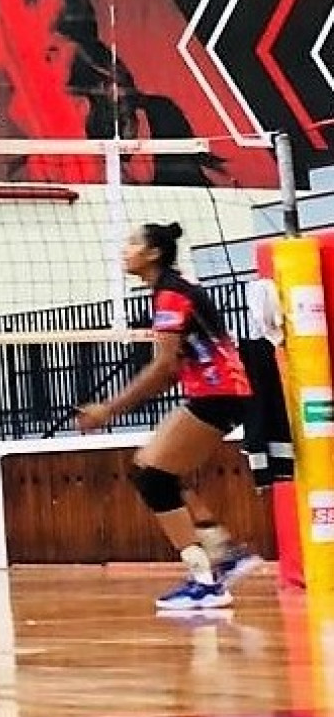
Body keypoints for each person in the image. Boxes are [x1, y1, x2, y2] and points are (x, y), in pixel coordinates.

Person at [76, 222, 262, 610]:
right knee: (154, 472)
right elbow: (172, 368)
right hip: (219, 392)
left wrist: (109, 409)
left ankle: (206, 579)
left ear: (154, 253)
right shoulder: (169, 292)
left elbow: (164, 369)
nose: (125, 250)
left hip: (219, 392)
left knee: (152, 476)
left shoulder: (172, 295)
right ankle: (223, 553)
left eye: (133, 244)